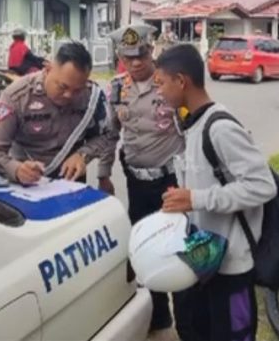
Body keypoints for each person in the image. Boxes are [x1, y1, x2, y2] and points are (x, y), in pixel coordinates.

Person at [155, 44, 277, 341]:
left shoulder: (219, 127)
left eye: (160, 83)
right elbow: (210, 181)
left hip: (233, 264)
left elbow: (262, 185)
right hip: (206, 258)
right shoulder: (192, 125)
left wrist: (196, 198)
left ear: (181, 81)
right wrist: (184, 198)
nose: (158, 92)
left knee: (234, 334)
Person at [101, 25, 186, 335]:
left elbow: (190, 129)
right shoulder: (116, 89)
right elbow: (110, 135)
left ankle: (188, 319)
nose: (135, 63)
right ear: (120, 57)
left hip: (171, 182)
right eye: (128, 57)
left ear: (151, 52)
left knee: (178, 248)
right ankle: (159, 315)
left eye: (141, 55)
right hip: (136, 182)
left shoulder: (169, 84)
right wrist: (103, 173)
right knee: (147, 250)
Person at [0, 41, 110, 183]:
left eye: (77, 90)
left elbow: (106, 135)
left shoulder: (91, 97)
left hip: (71, 182)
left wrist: (83, 155)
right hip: (28, 185)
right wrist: (15, 169)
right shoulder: (16, 98)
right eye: (62, 87)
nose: (69, 95)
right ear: (48, 69)